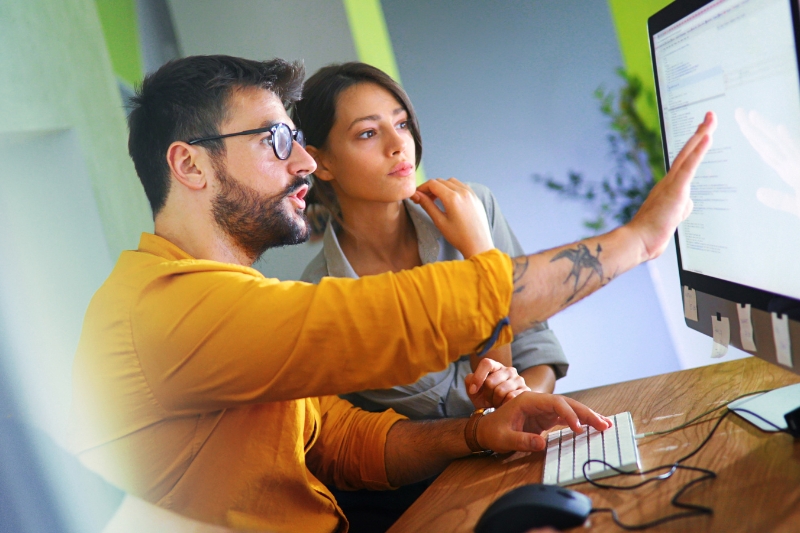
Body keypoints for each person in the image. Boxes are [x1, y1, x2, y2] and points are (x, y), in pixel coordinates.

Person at [67, 54, 715, 533]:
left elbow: (343, 440)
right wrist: (638, 239)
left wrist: (478, 431)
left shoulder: (230, 298)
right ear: (190, 165)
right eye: (274, 141)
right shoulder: (162, 310)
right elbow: (393, 318)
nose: (301, 164)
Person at [295, 62, 567, 420]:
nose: (398, 145)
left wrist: (523, 402)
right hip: (445, 474)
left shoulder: (475, 206)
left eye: (402, 123)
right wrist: (481, 255)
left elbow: (535, 351)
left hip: (527, 440)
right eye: (368, 133)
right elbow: (474, 402)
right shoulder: (324, 300)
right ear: (321, 162)